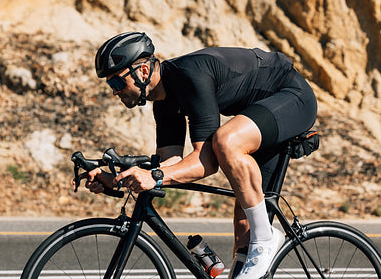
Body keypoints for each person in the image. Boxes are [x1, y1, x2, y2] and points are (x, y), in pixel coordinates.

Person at [81, 32, 317, 279]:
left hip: (292, 96)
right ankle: (259, 244)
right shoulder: (163, 104)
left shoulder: (188, 77)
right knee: (245, 224)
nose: (114, 91)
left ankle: (267, 239)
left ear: (142, 71)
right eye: (110, 85)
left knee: (225, 140)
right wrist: (115, 177)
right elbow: (170, 164)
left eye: (117, 83)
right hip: (261, 115)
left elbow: (205, 161)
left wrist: (155, 176)